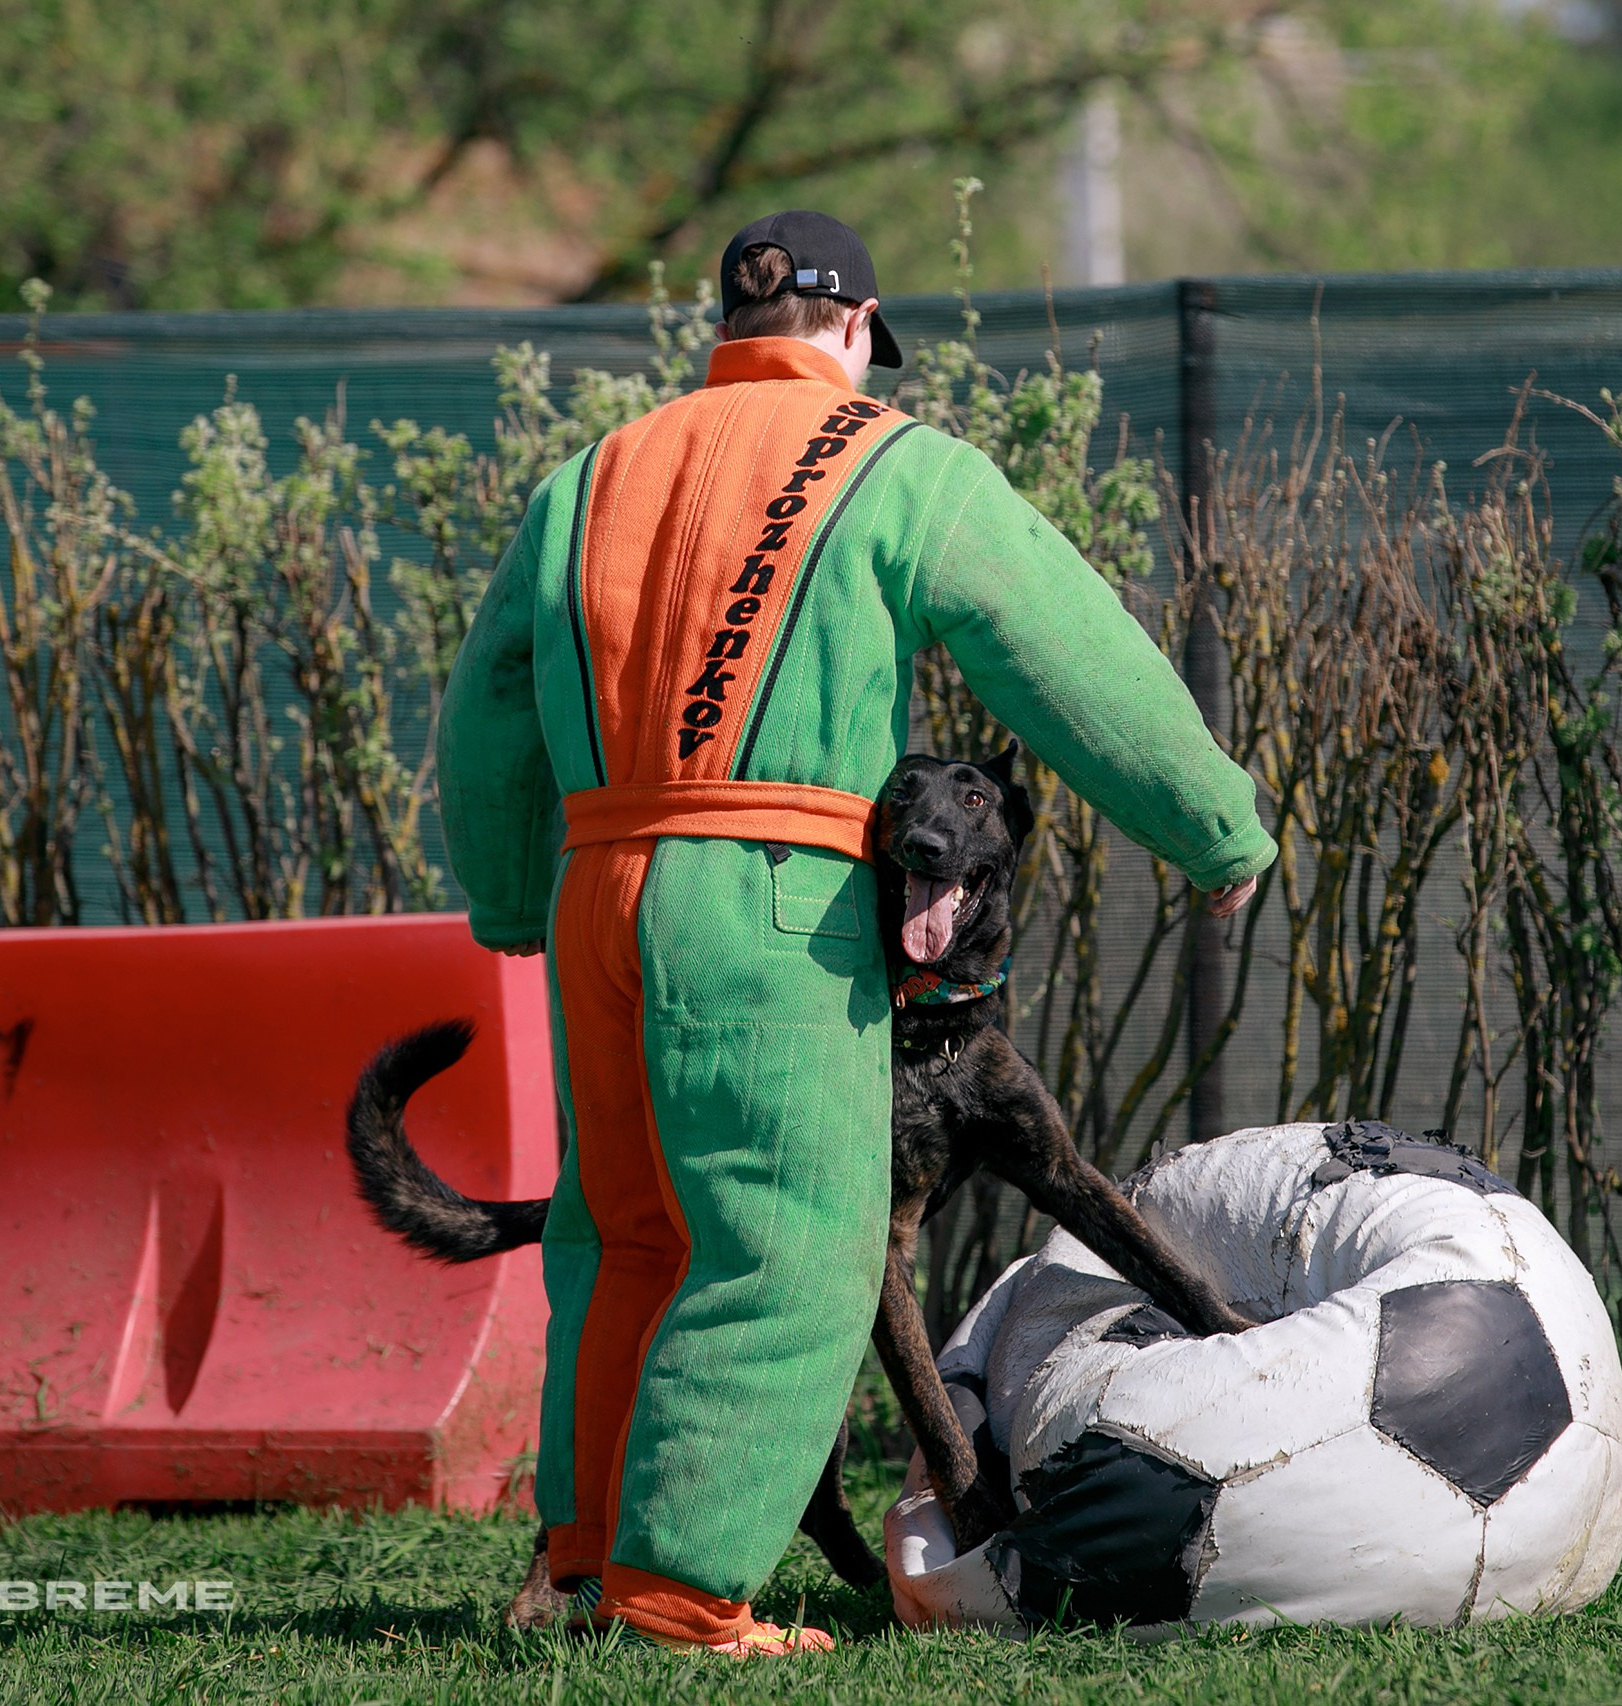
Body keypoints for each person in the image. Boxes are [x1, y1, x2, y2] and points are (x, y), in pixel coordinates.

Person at [438, 209, 1274, 1657]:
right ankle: (685, 1589)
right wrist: (1213, 825)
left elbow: (486, 704)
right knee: (789, 1244)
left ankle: (578, 1550)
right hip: (775, 892)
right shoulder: (898, 464)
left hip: (599, 890)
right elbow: (1067, 649)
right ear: (854, 330)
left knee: (621, 1231)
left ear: (731, 327)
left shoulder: (590, 475)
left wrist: (511, 891)